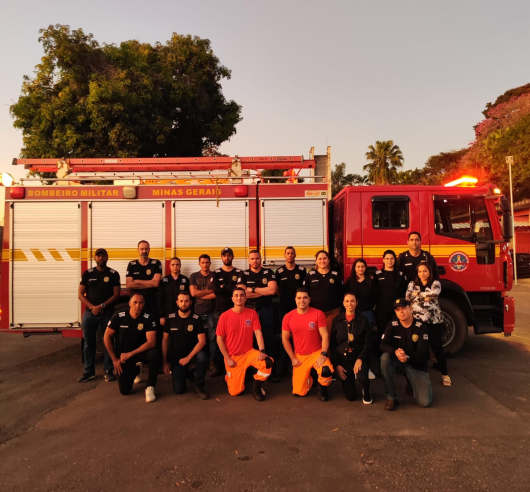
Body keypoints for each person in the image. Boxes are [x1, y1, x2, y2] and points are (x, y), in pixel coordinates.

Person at [216, 287, 273, 401]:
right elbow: (219, 339)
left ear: (245, 298)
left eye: (242, 295)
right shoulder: (224, 316)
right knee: (235, 392)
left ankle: (256, 386)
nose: (239, 298)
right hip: (233, 357)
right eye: (236, 295)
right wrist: (227, 358)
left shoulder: (252, 313)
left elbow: (258, 333)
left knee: (268, 362)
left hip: (248, 353)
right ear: (232, 299)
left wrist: (262, 350)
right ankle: (228, 377)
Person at [104, 293, 160, 402]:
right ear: (129, 303)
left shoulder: (148, 317)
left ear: (144, 304)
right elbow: (107, 336)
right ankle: (137, 369)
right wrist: (114, 359)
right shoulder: (119, 316)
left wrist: (130, 354)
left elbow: (151, 342)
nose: (137, 305)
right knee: (125, 391)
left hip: (141, 352)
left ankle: (150, 386)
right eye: (135, 302)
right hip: (123, 356)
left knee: (154, 354)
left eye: (140, 303)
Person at [281, 287, 334, 401]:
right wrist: (292, 358)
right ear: (295, 300)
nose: (302, 300)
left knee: (326, 370)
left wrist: (323, 354)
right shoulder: (288, 317)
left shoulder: (318, 314)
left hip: (316, 353)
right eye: (299, 298)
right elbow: (285, 339)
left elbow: (325, 335)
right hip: (300, 355)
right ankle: (310, 378)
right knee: (299, 392)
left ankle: (322, 388)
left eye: (305, 298)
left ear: (309, 299)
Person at [77, 248, 121, 383]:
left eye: (103, 256)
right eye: (98, 256)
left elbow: (116, 295)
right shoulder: (88, 274)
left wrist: (102, 306)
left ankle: (108, 371)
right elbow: (80, 294)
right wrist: (92, 307)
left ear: (107, 257)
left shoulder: (113, 274)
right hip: (89, 314)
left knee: (108, 342)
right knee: (88, 343)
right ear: (95, 258)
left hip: (107, 313)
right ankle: (88, 371)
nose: (101, 258)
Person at [380, 298, 432, 410]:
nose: (401, 312)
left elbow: (422, 353)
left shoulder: (421, 327)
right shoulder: (393, 324)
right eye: (398, 309)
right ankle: (391, 397)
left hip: (416, 364)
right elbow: (382, 345)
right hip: (399, 360)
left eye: (404, 308)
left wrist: (407, 357)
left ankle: (411, 384)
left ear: (410, 308)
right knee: (385, 358)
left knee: (425, 402)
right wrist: (395, 352)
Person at [406, 261, 451, 387]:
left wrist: (417, 295)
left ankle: (445, 375)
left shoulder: (436, 283)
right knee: (419, 347)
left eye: (425, 271)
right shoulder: (412, 284)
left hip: (433, 321)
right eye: (420, 271)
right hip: (417, 322)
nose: (422, 273)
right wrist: (424, 296)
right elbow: (408, 297)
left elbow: (434, 294)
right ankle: (420, 373)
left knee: (437, 347)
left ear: (430, 272)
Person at [162, 291, 209, 400]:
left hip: (193, 353)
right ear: (177, 303)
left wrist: (188, 358)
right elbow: (164, 340)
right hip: (177, 356)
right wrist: (164, 362)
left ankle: (199, 385)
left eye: (186, 301)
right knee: (179, 390)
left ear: (191, 302)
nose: (184, 303)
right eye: (181, 301)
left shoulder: (196, 318)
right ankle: (188, 373)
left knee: (203, 357)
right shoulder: (170, 318)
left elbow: (202, 341)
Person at [237, 251, 277, 374]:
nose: (255, 261)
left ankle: (270, 368)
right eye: (252, 259)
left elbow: (272, 291)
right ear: (249, 261)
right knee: (250, 340)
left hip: (266, 310)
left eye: (257, 258)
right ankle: (252, 369)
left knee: (268, 338)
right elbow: (242, 294)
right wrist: (262, 291)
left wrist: (252, 289)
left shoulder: (269, 272)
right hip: (249, 310)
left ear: (260, 260)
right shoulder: (243, 274)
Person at [330, 293, 373, 404]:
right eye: (347, 301)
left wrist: (360, 359)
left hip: (359, 357)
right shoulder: (336, 320)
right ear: (343, 303)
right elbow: (332, 344)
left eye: (352, 301)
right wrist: (337, 365)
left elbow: (368, 343)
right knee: (350, 397)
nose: (350, 304)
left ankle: (366, 389)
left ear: (356, 303)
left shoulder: (363, 320)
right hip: (344, 359)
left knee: (362, 377)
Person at [275, 246, 307, 376]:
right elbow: (276, 288)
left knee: (300, 336)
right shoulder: (279, 271)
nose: (290, 255)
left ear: (295, 255)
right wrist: (282, 297)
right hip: (284, 309)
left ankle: (300, 361)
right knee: (285, 337)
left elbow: (305, 289)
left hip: (300, 310)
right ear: (284, 255)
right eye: (288, 253)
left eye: (292, 253)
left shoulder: (302, 270)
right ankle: (284, 364)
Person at [211, 247, 242, 376]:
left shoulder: (239, 272)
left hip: (236, 312)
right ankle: (218, 367)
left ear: (232, 257)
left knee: (235, 339)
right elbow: (215, 290)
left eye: (229, 255)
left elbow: (238, 289)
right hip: (220, 312)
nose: (227, 258)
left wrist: (224, 287)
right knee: (217, 339)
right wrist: (230, 288)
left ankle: (237, 364)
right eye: (224, 256)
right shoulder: (216, 272)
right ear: (221, 258)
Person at [126, 240, 162, 344]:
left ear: (149, 250)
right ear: (138, 250)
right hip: (136, 305)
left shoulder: (156, 263)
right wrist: (149, 282)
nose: (144, 251)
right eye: (142, 249)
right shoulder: (132, 264)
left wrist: (137, 281)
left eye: (146, 249)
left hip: (151, 304)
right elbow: (129, 284)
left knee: (152, 330)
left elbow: (156, 284)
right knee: (136, 330)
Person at [303, 250, 343, 336]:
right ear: (316, 261)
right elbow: (305, 293)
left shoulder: (335, 275)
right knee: (315, 335)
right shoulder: (310, 275)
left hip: (332, 312)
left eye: (325, 258)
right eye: (320, 259)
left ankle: (327, 350)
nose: (322, 261)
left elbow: (341, 293)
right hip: (315, 312)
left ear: (328, 260)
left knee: (329, 335)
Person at [373, 250, 408, 346]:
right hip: (382, 310)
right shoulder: (378, 274)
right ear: (383, 260)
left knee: (398, 333)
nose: (389, 261)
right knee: (382, 333)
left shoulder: (400, 275)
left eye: (392, 258)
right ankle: (382, 358)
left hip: (397, 310)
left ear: (395, 260)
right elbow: (373, 292)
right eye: (387, 258)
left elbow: (405, 293)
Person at [158, 257, 190, 326]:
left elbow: (189, 299)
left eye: (177, 265)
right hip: (167, 313)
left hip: (182, 313)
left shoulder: (185, 280)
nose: (175, 266)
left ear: (180, 266)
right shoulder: (164, 281)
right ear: (169, 266)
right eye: (173, 265)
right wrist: (161, 316)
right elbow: (160, 299)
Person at [347, 258, 376, 329]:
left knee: (368, 335)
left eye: (363, 267)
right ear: (354, 268)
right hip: (353, 312)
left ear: (366, 268)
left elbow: (374, 296)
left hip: (367, 313)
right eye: (358, 267)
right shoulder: (349, 282)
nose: (360, 269)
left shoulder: (370, 282)